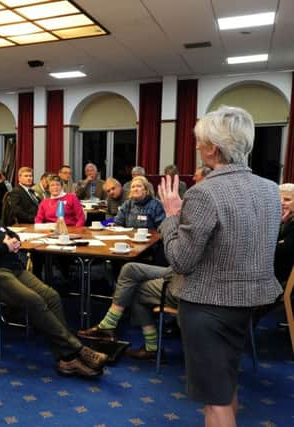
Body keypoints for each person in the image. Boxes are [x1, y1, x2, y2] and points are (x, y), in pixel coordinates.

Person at [158, 106, 282, 427]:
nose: (197, 147)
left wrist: (172, 215)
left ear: (213, 147)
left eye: (199, 142)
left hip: (207, 306)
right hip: (249, 302)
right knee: (225, 385)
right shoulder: (271, 189)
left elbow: (181, 260)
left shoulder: (203, 192)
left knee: (215, 401)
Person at [0, 184, 108, 378]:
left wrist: (13, 242)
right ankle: (77, 350)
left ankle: (66, 359)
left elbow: (10, 233)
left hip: (12, 269)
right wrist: (4, 248)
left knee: (51, 296)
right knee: (33, 300)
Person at [78, 263, 182, 359]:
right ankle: (108, 325)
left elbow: (182, 260)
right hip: (178, 273)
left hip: (185, 283)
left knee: (135, 288)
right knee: (129, 270)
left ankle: (150, 347)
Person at [275, 183, 294, 284]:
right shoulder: (278, 220)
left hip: (283, 281)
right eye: (279, 199)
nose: (282, 203)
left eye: (287, 199)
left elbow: (283, 251)